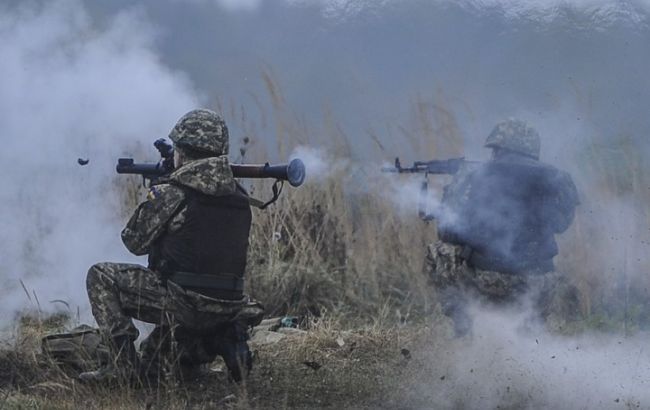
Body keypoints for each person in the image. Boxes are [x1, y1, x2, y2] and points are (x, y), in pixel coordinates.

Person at [79, 109, 264, 382]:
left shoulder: (174, 193)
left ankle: (121, 368)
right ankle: (219, 343)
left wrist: (155, 196)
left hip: (186, 304)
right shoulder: (238, 195)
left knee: (101, 275)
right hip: (229, 306)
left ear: (183, 153)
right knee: (155, 365)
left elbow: (134, 242)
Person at [424, 119, 580, 336]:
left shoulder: (477, 174)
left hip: (490, 281)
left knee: (439, 251)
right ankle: (533, 325)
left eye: (495, 150)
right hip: (540, 283)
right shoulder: (555, 177)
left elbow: (450, 232)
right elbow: (561, 225)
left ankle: (464, 326)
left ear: (501, 148)